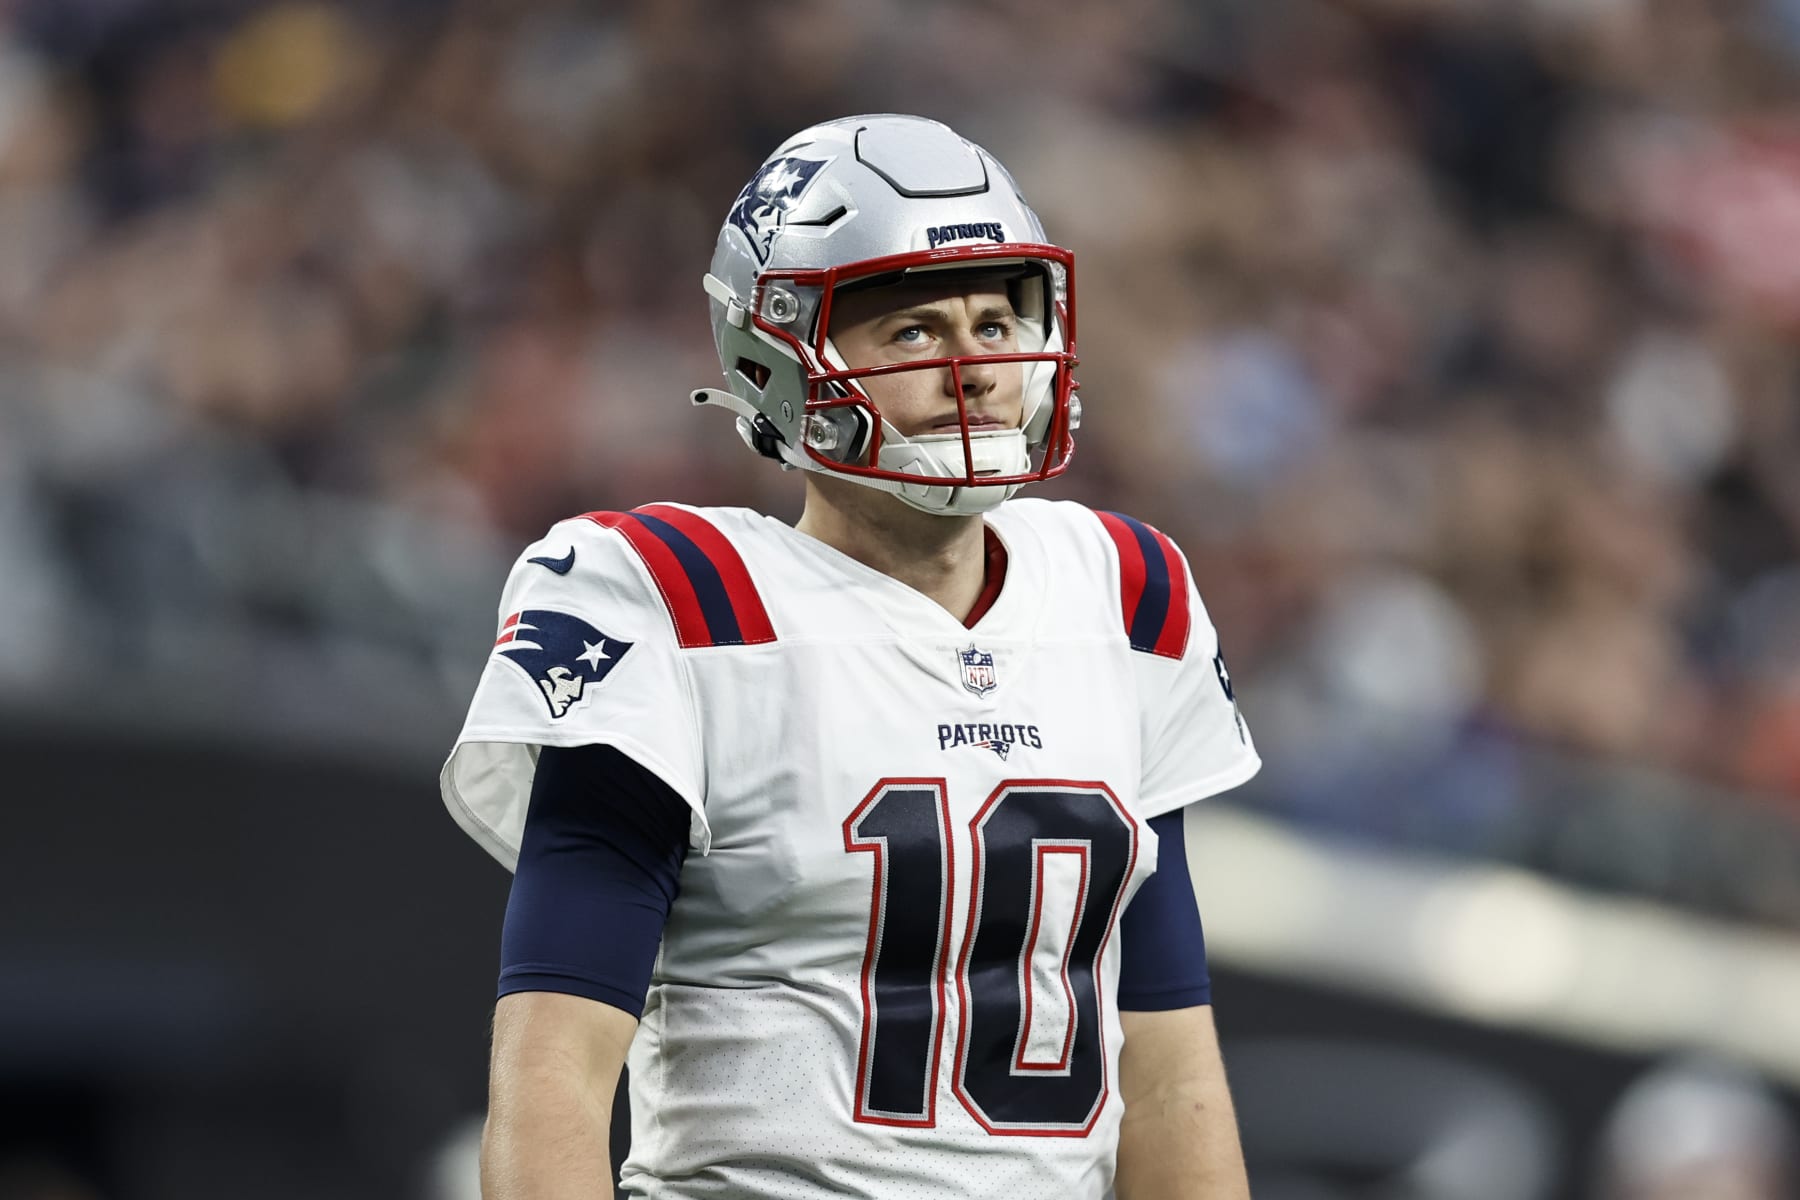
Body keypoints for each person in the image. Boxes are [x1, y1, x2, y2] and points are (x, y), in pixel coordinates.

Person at [440, 113, 1261, 1199]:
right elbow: (554, 1069)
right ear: (775, 354)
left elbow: (1166, 1068)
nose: (974, 368)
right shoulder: (678, 601)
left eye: (994, 318)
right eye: (915, 331)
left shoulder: (1125, 592)